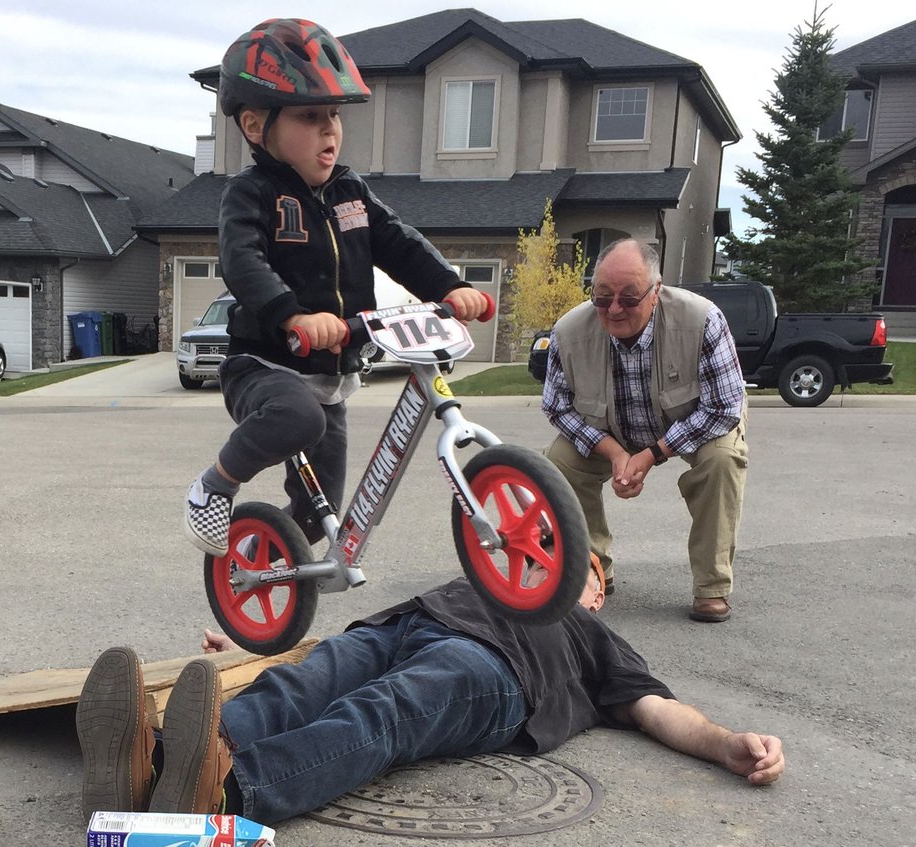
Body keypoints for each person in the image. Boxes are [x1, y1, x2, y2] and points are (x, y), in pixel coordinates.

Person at [75, 556, 785, 825]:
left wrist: (727, 743)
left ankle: (227, 792)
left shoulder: (592, 634)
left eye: (576, 562)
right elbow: (305, 643)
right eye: (528, 538)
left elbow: (657, 708)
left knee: (382, 712)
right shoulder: (473, 577)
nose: (538, 552)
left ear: (596, 591)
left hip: (493, 675)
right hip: (401, 626)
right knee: (303, 681)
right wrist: (251, 646)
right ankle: (157, 763)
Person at [183, 18, 489, 556]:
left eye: (333, 116)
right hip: (265, 365)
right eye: (309, 116)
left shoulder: (352, 191)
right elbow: (243, 261)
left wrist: (450, 286)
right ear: (256, 126)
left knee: (316, 514)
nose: (329, 130)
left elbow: (398, 242)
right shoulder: (250, 194)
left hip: (332, 374)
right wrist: (293, 316)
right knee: (296, 418)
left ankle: (259, 573)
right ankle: (214, 486)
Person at [541, 238, 748, 622]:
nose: (614, 309)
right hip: (611, 429)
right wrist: (616, 454)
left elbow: (723, 407)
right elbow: (557, 406)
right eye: (602, 298)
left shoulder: (702, 319)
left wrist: (653, 453)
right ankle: (591, 567)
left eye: (629, 298)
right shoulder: (568, 331)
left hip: (690, 423)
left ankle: (711, 586)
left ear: (657, 291)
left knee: (722, 460)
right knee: (557, 462)